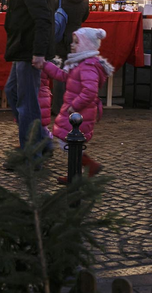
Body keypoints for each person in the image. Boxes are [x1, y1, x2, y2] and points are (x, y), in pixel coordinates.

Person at [3, 0, 55, 156]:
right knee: (12, 90)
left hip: (28, 48)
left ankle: (31, 154)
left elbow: (42, 16)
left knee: (26, 103)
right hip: (23, 46)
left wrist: (38, 52)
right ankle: (42, 141)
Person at [42, 28, 111, 184]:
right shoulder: (78, 63)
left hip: (79, 113)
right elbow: (63, 76)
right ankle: (76, 174)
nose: (71, 45)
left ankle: (88, 167)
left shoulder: (87, 65)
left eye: (76, 42)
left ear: (86, 45)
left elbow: (90, 90)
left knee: (68, 143)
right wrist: (46, 66)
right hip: (76, 112)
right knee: (69, 143)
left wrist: (74, 105)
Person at [52, 0, 90, 114]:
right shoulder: (85, 1)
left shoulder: (57, 0)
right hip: (77, 40)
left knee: (60, 74)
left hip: (61, 40)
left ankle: (58, 107)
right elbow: (84, 18)